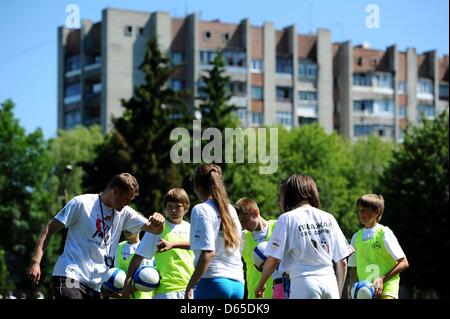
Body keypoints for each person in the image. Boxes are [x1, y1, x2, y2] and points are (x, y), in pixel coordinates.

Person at [26, 173, 165, 299]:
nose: (128, 204)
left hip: (95, 285)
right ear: (115, 191)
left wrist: (160, 222)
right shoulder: (81, 203)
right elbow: (49, 229)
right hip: (70, 276)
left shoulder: (125, 213)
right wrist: (35, 261)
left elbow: (155, 229)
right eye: (127, 200)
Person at [255, 174, 354, 299]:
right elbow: (343, 262)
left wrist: (260, 284)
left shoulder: (286, 219)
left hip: (303, 283)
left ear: (289, 194)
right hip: (330, 282)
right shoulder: (328, 217)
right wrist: (337, 294)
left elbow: (273, 260)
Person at [185, 164, 244, 299]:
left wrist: (191, 285)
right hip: (238, 283)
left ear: (197, 187)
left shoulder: (201, 209)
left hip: (212, 281)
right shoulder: (231, 210)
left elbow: (208, 252)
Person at [123, 188, 194, 299]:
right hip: (167, 292)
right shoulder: (157, 228)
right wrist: (127, 283)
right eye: (170, 206)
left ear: (186, 208)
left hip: (191, 289)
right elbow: (138, 257)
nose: (173, 210)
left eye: (178, 206)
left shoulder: (192, 228)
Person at [347, 194, 409, 299]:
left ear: (377, 211)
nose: (361, 213)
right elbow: (353, 268)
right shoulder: (355, 238)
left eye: (365, 210)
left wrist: (382, 279)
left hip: (387, 291)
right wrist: (352, 293)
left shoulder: (384, 233)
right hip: (365, 294)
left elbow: (404, 263)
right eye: (359, 210)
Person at [235, 197, 285, 299]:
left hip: (280, 293)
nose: (243, 226)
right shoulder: (242, 238)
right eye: (240, 223)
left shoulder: (277, 226)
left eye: (245, 221)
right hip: (255, 296)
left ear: (256, 213)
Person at [113, 229, 153, 299]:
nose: (127, 229)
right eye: (126, 226)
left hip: (140, 296)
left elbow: (147, 278)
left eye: (131, 226)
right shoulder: (119, 246)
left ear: (141, 227)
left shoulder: (145, 248)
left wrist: (126, 291)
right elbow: (117, 272)